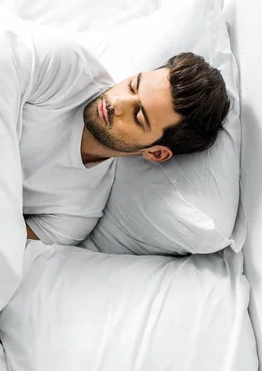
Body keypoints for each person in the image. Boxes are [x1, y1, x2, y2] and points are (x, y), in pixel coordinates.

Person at [22, 34, 230, 245]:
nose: (117, 102)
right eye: (132, 86)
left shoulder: (78, 211)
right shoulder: (64, 70)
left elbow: (1, 245)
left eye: (139, 116)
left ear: (155, 153)